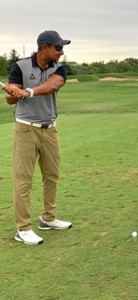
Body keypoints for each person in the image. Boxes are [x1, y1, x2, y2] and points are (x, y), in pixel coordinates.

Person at [1, 30, 72, 246]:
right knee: (23, 179)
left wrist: (29, 92)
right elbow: (10, 101)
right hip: (25, 129)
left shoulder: (59, 68)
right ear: (44, 47)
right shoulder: (20, 66)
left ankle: (48, 219)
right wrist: (14, 92)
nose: (61, 51)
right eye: (58, 47)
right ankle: (23, 229)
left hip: (49, 129)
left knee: (51, 175)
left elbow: (53, 85)